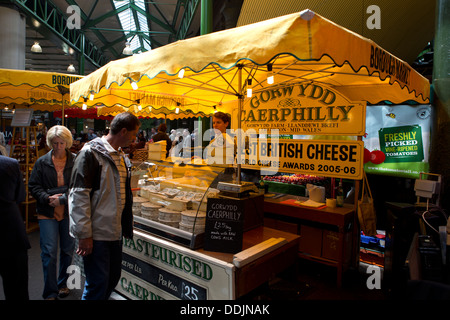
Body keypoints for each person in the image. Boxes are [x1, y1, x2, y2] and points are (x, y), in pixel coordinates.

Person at [69, 112, 140, 300]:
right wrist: (84, 234)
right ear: (123, 131)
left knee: (111, 279)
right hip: (97, 233)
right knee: (97, 284)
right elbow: (78, 196)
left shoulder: (121, 156)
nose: (135, 139)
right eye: (133, 134)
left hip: (114, 232)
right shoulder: (90, 153)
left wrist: (126, 223)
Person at [28, 125, 76, 300]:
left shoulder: (75, 161)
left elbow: (79, 188)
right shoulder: (42, 162)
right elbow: (33, 186)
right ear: (50, 143)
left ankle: (63, 283)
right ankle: (50, 291)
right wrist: (46, 198)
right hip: (46, 211)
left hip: (68, 212)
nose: (58, 147)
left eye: (61, 143)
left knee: (68, 250)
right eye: (55, 143)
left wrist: (62, 199)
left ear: (67, 142)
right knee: (48, 251)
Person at [0, 155, 30, 300]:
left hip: (11, 232)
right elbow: (20, 196)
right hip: (11, 231)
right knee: (17, 289)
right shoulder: (10, 164)